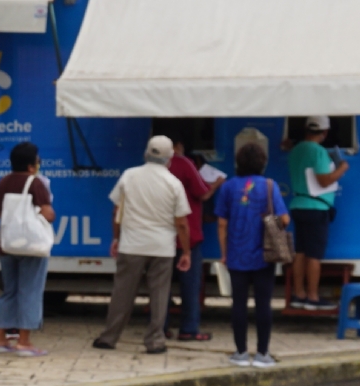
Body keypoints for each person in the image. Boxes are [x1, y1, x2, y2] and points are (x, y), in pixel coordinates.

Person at [95, 135, 192, 354]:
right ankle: (155, 341)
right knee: (159, 295)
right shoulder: (174, 183)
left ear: (146, 153)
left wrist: (116, 238)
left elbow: (116, 211)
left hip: (131, 245)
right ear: (171, 158)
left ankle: (109, 337)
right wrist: (186, 251)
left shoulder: (129, 176)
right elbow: (182, 223)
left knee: (122, 293)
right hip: (162, 247)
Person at [215, 142, 291, 368]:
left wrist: (224, 253)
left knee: (238, 304)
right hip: (264, 255)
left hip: (236, 255)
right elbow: (284, 219)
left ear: (238, 162)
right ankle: (262, 354)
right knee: (263, 304)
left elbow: (221, 223)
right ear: (262, 163)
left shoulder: (228, 187)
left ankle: (240, 353)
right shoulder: (270, 185)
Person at [0, 142, 54, 356]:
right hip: (31, 246)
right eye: (36, 160)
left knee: (10, 291)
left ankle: (0, 338)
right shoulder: (35, 183)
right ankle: (24, 342)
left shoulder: (2, 183)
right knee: (30, 291)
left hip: (7, 245)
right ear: (30, 165)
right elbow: (47, 212)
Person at [288, 115, 349, 309]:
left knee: (300, 252)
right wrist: (342, 168)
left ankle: (298, 295)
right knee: (314, 254)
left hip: (298, 204)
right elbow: (324, 180)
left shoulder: (296, 150)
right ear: (324, 132)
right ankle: (313, 298)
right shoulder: (318, 151)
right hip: (316, 208)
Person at [167, 139, 211, 342]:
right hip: (187, 236)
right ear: (178, 144)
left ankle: (161, 327)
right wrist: (217, 182)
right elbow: (202, 193)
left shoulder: (150, 169)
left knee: (161, 287)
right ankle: (188, 329)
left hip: (162, 237)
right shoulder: (183, 163)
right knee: (190, 286)